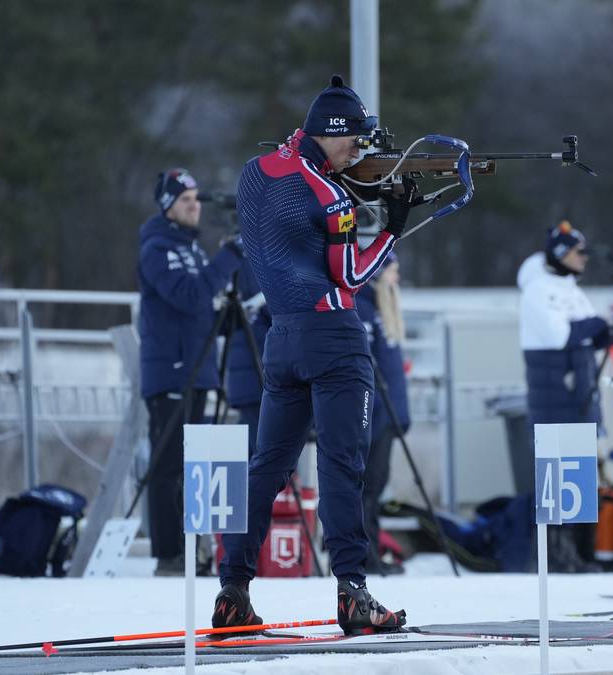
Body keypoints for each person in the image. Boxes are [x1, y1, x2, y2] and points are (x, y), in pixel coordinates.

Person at [214, 75, 418, 634]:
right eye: (356, 139)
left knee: (267, 469)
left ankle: (232, 589)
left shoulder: (256, 172)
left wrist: (357, 192)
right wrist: (393, 227)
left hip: (281, 339)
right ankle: (353, 591)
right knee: (341, 466)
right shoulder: (329, 194)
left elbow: (289, 218)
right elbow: (350, 274)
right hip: (333, 337)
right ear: (335, 133)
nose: (361, 150)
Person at [137, 168, 244, 576]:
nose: (195, 207)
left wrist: (232, 317)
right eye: (185, 201)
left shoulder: (193, 250)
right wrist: (230, 256)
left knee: (194, 468)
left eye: (197, 199)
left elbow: (203, 305)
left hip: (197, 373)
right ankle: (168, 554)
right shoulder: (158, 249)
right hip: (172, 373)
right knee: (168, 467)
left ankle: (195, 550)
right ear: (167, 207)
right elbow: (189, 295)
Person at [517, 221, 611, 428]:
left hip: (582, 402)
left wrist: (612, 327)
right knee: (559, 460)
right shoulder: (537, 290)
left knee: (586, 459)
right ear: (561, 253)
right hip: (554, 408)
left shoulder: (573, 291)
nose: (585, 257)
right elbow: (559, 336)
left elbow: (592, 339)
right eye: (579, 251)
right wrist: (600, 322)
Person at [355, 252, 410, 574]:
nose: (396, 279)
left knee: (377, 486)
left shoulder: (379, 310)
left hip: (387, 417)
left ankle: (372, 552)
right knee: (369, 487)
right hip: (374, 415)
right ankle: (365, 556)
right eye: (392, 271)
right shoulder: (364, 309)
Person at [223, 263, 273, 456]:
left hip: (256, 371)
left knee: (257, 446)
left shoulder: (251, 257)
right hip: (255, 370)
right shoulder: (256, 260)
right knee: (260, 449)